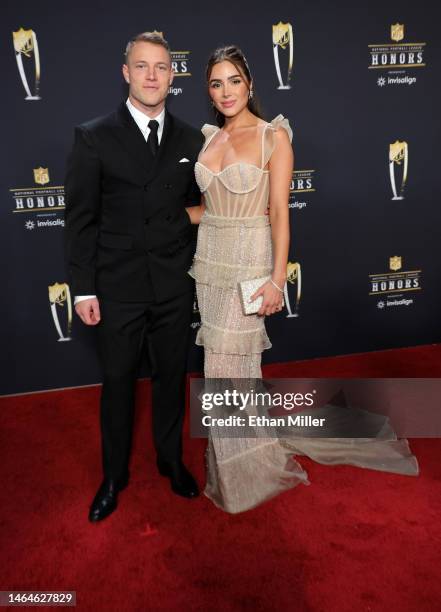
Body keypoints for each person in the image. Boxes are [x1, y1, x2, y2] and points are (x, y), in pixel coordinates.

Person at [187, 45, 418, 514]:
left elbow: (279, 218)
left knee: (229, 370)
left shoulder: (274, 137)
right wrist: (155, 219)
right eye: (216, 83)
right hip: (209, 263)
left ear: (250, 84)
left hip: (250, 261)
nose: (226, 91)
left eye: (234, 80)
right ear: (209, 92)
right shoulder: (209, 138)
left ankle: (248, 471)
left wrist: (276, 281)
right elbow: (209, 210)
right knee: (222, 370)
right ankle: (237, 463)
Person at [65, 32, 203, 522]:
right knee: (118, 383)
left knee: (171, 380)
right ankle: (113, 475)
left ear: (172, 75)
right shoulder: (94, 135)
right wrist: (83, 288)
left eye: (161, 67)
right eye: (141, 66)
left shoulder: (192, 138)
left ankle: (171, 461)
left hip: (171, 284)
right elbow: (80, 220)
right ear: (126, 73)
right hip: (117, 287)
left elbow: (198, 208)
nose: (151, 76)